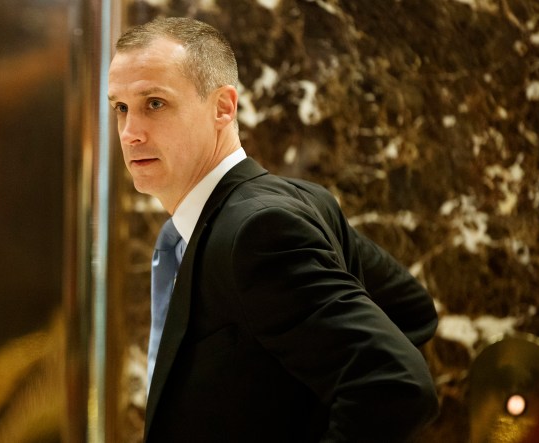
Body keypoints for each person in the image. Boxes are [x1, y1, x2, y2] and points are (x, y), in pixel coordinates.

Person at [107, 17, 439, 442]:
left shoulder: (258, 231)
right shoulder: (292, 200)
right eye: (120, 107)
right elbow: (409, 311)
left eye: (154, 103)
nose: (130, 133)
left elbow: (395, 383)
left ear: (223, 107)